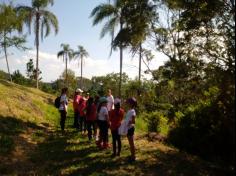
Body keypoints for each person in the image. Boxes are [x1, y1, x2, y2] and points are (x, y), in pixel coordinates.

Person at [125, 97, 137, 162]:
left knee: (131, 143)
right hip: (129, 128)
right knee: (130, 143)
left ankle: (133, 157)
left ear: (131, 104)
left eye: (128, 102)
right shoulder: (130, 110)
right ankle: (132, 155)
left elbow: (133, 121)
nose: (127, 104)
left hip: (130, 128)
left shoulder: (132, 111)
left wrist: (127, 123)